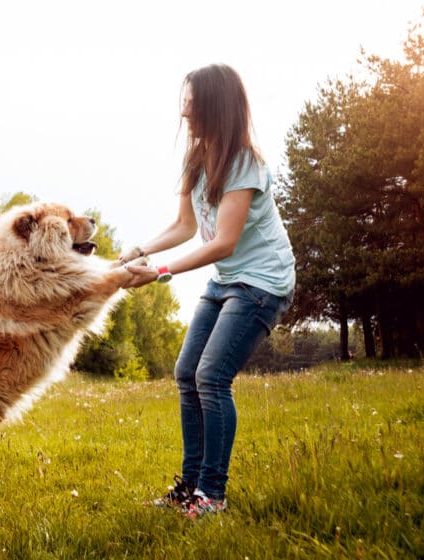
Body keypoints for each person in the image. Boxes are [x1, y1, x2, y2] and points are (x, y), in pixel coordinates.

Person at [119, 64, 295, 519]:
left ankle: (212, 495)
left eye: (192, 103)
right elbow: (185, 226)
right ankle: (190, 487)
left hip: (262, 281)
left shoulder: (245, 163)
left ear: (215, 106)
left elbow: (223, 242)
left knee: (211, 377)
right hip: (227, 280)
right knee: (186, 372)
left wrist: (157, 270)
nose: (184, 112)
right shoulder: (196, 159)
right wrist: (138, 250)